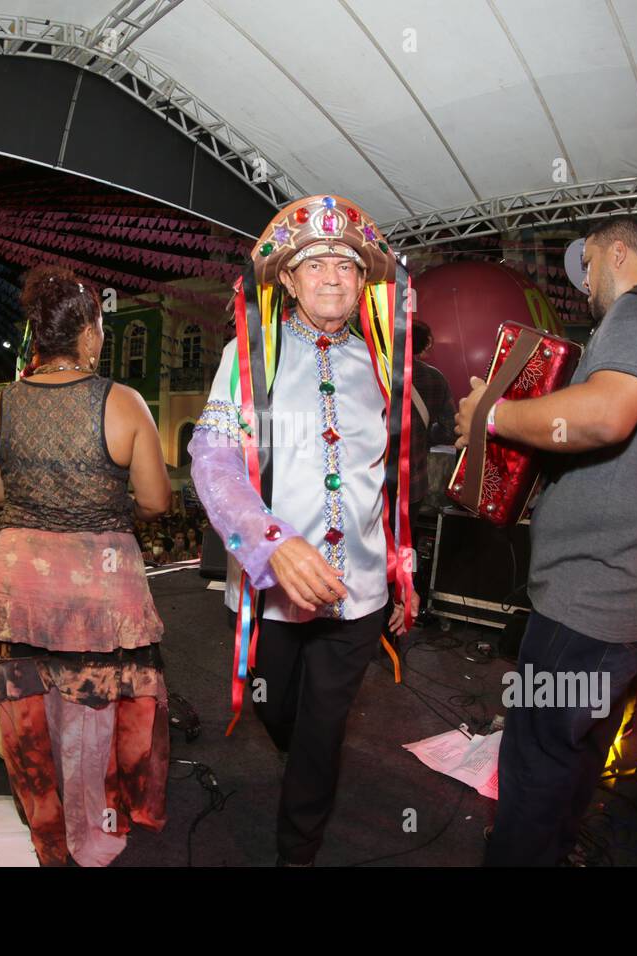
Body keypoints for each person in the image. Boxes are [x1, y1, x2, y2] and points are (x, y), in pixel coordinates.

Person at [458, 215, 637, 866]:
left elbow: (607, 415)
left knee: (537, 751)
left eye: (586, 269)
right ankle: (557, 849)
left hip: (598, 595)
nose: (583, 287)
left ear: (616, 253)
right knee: (577, 743)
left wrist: (491, 415)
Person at [190, 195, 418, 866]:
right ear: (285, 280)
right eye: (312, 264)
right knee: (279, 710)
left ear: (362, 281)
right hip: (272, 598)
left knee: (321, 732)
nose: (330, 277)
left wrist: (405, 570)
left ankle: (298, 853)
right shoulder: (247, 354)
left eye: (344, 266)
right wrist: (269, 542)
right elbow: (213, 457)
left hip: (359, 595)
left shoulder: (385, 364)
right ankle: (302, 763)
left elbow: (397, 481)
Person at [0, 263, 171, 866]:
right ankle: (93, 840)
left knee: (31, 723)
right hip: (96, 591)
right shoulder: (122, 402)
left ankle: (48, 837)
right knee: (89, 724)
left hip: (21, 585)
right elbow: (157, 502)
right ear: (88, 333)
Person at [406, 321, 457, 615]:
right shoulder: (435, 379)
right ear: (424, 346)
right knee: (405, 547)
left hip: (369, 483)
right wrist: (424, 435)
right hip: (413, 482)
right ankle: (403, 606)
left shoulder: (372, 372)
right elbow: (451, 429)